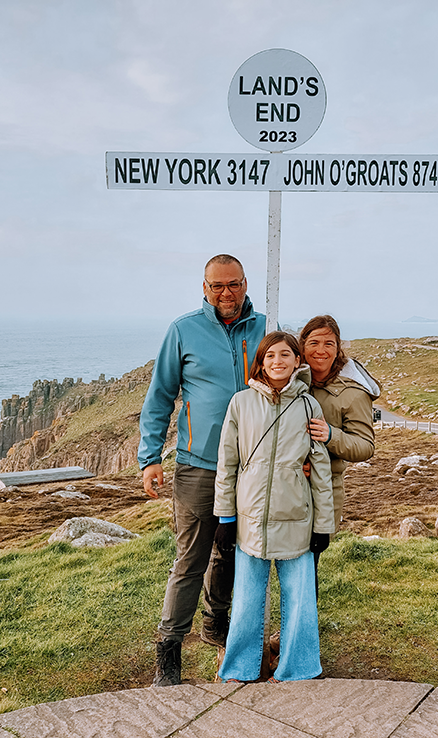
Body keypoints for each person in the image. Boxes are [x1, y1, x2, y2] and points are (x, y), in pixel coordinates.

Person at [138, 254, 267, 687]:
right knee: (191, 558)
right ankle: (169, 652)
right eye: (217, 286)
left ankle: (217, 622)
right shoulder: (183, 330)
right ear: (204, 288)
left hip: (252, 466)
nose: (226, 293)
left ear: (246, 284)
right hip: (198, 466)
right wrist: (150, 457)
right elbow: (160, 396)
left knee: (234, 550)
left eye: (233, 285)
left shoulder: (265, 327)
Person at [213, 332, 334, 683]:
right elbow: (227, 463)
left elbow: (320, 469)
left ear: (298, 361)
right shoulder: (240, 403)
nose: (278, 361)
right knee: (248, 600)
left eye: (286, 355)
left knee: (299, 601)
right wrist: (225, 517)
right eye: (271, 356)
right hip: (249, 520)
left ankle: (299, 669)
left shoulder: (309, 405)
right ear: (261, 362)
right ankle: (240, 669)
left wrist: (323, 525)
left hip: (297, 517)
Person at [299, 315, 381, 537]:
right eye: (314, 343)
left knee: (313, 560)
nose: (321, 350)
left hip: (325, 490)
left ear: (337, 349)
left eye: (329, 344)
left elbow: (365, 446)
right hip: (285, 485)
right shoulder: (289, 382)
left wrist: (330, 436)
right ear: (302, 346)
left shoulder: (353, 393)